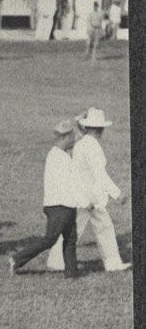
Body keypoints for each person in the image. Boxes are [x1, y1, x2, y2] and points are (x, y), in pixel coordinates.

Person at [49, 108, 128, 273]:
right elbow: (100, 174)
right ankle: (57, 262)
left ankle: (112, 263)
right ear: (101, 129)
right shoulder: (93, 147)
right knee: (81, 229)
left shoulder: (81, 143)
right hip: (88, 198)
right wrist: (117, 194)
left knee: (100, 227)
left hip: (83, 195)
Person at [9, 120, 81, 278]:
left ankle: (71, 273)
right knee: (50, 239)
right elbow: (72, 180)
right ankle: (17, 259)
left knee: (70, 239)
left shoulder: (60, 155)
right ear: (63, 138)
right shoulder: (58, 157)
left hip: (66, 205)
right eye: (72, 137)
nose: (74, 140)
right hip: (59, 206)